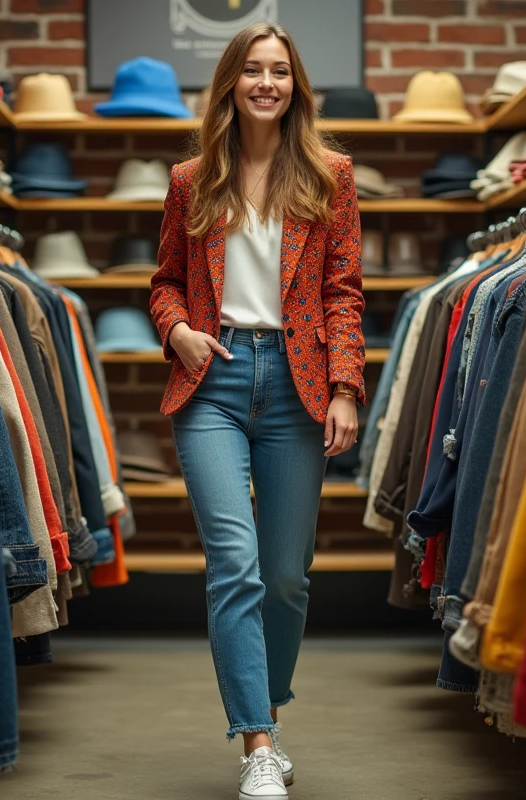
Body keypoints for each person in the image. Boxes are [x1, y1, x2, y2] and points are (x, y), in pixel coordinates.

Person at [149, 21, 366, 800]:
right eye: (253, 71)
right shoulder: (191, 178)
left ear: (294, 86)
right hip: (214, 377)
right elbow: (164, 281)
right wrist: (178, 333)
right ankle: (259, 742)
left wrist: (345, 386)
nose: (266, 83)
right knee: (233, 566)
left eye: (279, 71)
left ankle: (264, 704)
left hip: (298, 385)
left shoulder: (331, 175)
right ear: (232, 84)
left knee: (284, 578)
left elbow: (344, 292)